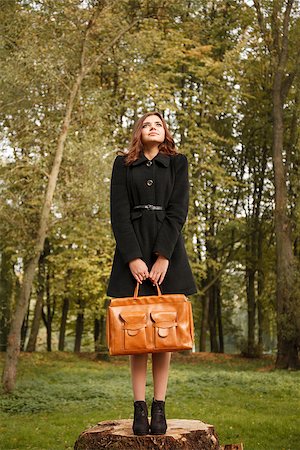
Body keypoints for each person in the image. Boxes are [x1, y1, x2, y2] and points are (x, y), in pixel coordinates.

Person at [106, 111, 197, 435]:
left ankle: (160, 408)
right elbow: (118, 213)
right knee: (136, 335)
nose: (152, 127)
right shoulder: (122, 164)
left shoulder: (177, 163)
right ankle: (138, 409)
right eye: (146, 124)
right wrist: (132, 258)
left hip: (167, 253)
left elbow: (178, 210)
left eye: (158, 124)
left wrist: (162, 257)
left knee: (163, 334)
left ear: (165, 131)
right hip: (132, 250)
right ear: (138, 133)